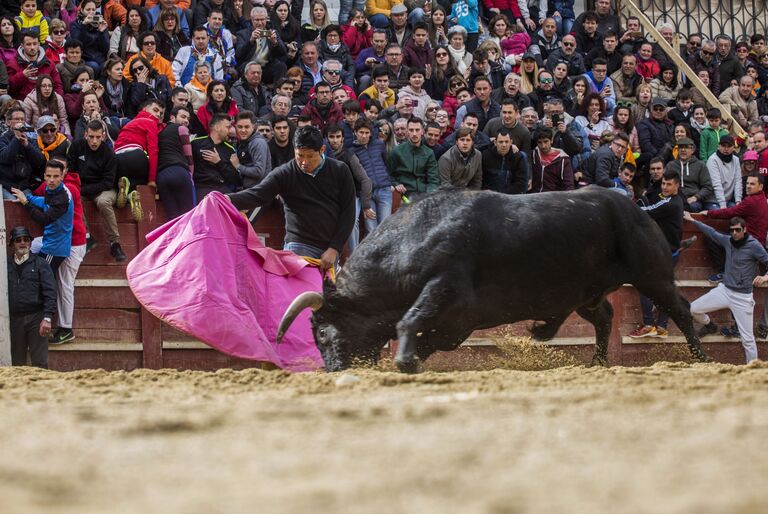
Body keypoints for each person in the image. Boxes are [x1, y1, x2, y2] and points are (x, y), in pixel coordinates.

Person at [228, 125, 355, 272]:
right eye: (300, 155)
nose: (304, 162)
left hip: (330, 247)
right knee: (304, 293)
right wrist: (226, 199)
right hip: (298, 244)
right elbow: (257, 194)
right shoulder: (285, 173)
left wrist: (335, 248)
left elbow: (348, 212)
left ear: (322, 150)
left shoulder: (340, 170)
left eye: (310, 156)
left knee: (324, 293)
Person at [685, 211, 768, 364]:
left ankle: (753, 370)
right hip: (725, 290)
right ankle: (710, 325)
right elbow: (711, 232)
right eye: (732, 230)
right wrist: (692, 220)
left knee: (748, 339)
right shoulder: (728, 241)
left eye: (738, 230)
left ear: (745, 230)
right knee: (693, 309)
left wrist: (764, 277)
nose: (734, 233)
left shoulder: (754, 245)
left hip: (743, 297)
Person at [629, 172, 686, 339]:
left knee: (644, 285)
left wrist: (626, 206)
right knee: (665, 288)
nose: (665, 187)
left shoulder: (670, 203)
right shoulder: (676, 201)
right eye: (663, 184)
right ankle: (661, 326)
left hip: (663, 253)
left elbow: (645, 211)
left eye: (669, 184)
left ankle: (648, 324)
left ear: (677, 185)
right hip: (672, 251)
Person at [67, 119, 124, 261]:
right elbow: (70, 171)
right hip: (82, 187)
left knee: (103, 202)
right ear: (85, 134)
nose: (94, 141)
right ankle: (87, 236)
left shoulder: (109, 153)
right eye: (91, 137)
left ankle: (114, 243)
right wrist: (80, 189)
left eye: (98, 137)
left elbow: (107, 182)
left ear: (103, 136)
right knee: (71, 197)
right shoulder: (76, 146)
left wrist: (84, 190)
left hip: (104, 189)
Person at [699, 174, 768, 283]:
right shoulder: (763, 198)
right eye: (747, 183)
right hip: (757, 243)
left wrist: (709, 212)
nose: (748, 186)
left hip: (747, 243)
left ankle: (723, 272)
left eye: (752, 184)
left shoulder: (751, 201)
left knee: (711, 237)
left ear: (760, 187)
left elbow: (731, 212)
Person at [11, 159, 74, 277]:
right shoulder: (53, 189)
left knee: (43, 280)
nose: (51, 180)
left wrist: (25, 202)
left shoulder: (62, 198)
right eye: (49, 176)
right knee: (39, 278)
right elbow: (45, 202)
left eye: (55, 176)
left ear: (62, 177)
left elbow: (44, 218)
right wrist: (28, 198)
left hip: (54, 248)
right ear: (44, 176)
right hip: (50, 242)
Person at [7, 226, 56, 368]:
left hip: (37, 318)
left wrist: (47, 318)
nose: (23, 243)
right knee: (16, 363)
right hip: (14, 320)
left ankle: (42, 390)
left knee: (40, 362)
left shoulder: (40, 263)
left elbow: (50, 291)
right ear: (12, 244)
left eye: (26, 240)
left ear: (30, 242)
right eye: (18, 240)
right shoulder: (5, 265)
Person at [325, 123, 372, 252]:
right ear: (326, 138)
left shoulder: (349, 156)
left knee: (351, 224)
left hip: (352, 197)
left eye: (338, 136)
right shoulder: (322, 156)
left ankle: (353, 256)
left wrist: (366, 204)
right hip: (332, 198)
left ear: (343, 138)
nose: (335, 140)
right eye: (332, 137)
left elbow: (365, 180)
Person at [351, 117, 391, 235]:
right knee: (371, 230)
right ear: (355, 132)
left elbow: (387, 164)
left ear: (370, 133)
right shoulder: (352, 151)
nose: (364, 136)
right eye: (361, 132)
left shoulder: (379, 144)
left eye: (367, 133)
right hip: (367, 194)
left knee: (385, 227)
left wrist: (390, 182)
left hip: (384, 190)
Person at [157, 105, 195, 218]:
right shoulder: (182, 129)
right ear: (172, 118)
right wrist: (191, 176)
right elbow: (189, 156)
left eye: (188, 118)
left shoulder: (160, 133)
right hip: (179, 172)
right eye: (183, 117)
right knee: (188, 216)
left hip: (162, 176)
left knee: (173, 218)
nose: (186, 121)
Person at [0, 107, 46, 199]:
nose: (20, 122)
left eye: (22, 119)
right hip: (6, 187)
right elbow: (5, 159)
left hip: (25, 187)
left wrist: (27, 145)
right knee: (13, 205)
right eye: (17, 119)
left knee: (29, 205)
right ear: (8, 122)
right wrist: (16, 139)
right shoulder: (2, 140)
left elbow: (40, 162)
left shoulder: (30, 140)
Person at [388, 118, 439, 198]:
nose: (414, 134)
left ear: (422, 131)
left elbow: (433, 179)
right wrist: (396, 184)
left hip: (424, 194)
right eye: (411, 130)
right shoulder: (397, 151)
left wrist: (430, 195)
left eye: (417, 130)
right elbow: (389, 174)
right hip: (404, 194)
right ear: (407, 131)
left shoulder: (429, 153)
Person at [664, 137, 716, 213]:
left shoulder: (700, 165)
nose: (683, 150)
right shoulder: (671, 165)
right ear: (677, 150)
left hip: (693, 199)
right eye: (680, 147)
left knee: (693, 206)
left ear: (692, 150)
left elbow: (707, 187)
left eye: (686, 147)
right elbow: (664, 183)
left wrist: (696, 197)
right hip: (674, 197)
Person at [481, 127, 528, 194]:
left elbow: (521, 184)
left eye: (506, 142)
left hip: (510, 197)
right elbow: (481, 179)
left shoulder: (518, 157)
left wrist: (502, 194)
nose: (504, 145)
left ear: (511, 142)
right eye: (501, 142)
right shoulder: (485, 156)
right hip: (490, 196)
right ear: (495, 142)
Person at [232, 110, 270, 189]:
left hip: (258, 191)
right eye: (240, 127)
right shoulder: (242, 142)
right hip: (248, 189)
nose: (243, 130)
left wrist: (238, 166)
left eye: (247, 127)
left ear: (253, 127)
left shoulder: (258, 143)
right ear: (235, 127)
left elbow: (259, 172)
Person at [530, 126, 574, 193]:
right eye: (540, 142)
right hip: (534, 196)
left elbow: (569, 185)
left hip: (554, 198)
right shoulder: (533, 155)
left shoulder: (563, 159)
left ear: (551, 140)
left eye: (546, 141)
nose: (543, 146)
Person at [707, 135, 742, 209]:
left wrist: (738, 201)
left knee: (738, 213)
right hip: (712, 200)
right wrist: (723, 206)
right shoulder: (712, 160)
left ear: (733, 148)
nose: (726, 149)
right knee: (720, 215)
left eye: (729, 146)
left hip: (728, 200)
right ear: (718, 146)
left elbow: (738, 181)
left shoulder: (736, 160)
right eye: (723, 146)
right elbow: (716, 184)